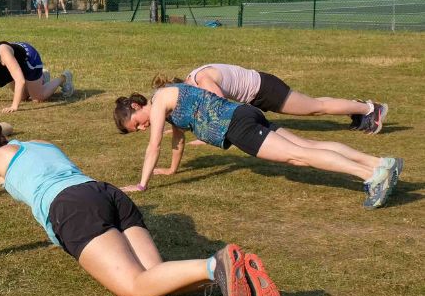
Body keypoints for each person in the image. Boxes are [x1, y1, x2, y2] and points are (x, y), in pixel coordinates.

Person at [0, 121, 280, 296]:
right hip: (106, 192)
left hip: (70, 207)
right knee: (158, 282)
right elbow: (4, 124)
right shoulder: (39, 141)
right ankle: (234, 276)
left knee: (137, 289)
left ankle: (215, 262)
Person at [113, 80, 402, 209]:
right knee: (307, 144)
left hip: (238, 127)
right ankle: (379, 163)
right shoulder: (170, 98)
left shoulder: (160, 100)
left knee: (299, 157)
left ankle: (372, 177)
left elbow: (155, 147)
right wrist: (172, 170)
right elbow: (178, 141)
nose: (142, 128)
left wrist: (141, 185)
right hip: (243, 112)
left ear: (137, 105)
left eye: (137, 122)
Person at [185, 62, 387, 134]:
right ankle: (358, 108)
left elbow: (221, 108)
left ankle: (370, 110)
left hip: (266, 92)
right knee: (315, 104)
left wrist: (206, 136)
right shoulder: (195, 76)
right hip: (264, 86)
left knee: (317, 107)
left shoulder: (202, 80)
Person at [0, 35, 72, 112]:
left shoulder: (3, 54)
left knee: (37, 98)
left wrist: (14, 106)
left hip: (28, 59)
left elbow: (20, 80)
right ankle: (41, 79)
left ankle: (63, 78)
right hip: (14, 63)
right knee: (23, 97)